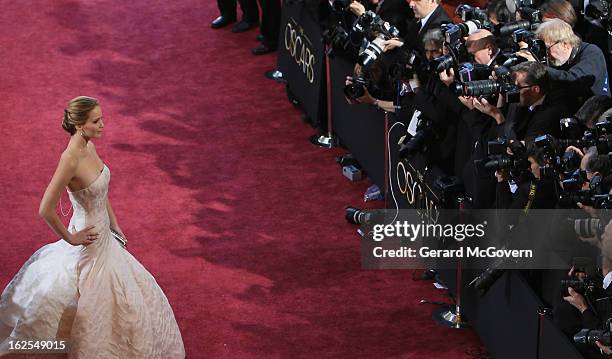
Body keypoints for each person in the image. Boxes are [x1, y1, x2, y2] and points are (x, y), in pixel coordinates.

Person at [0, 96, 185, 358]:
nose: (103, 126)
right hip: (88, 244)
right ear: (78, 125)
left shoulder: (88, 146)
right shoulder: (70, 158)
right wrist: (71, 239)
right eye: (96, 121)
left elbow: (99, 189)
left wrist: (115, 222)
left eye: (102, 119)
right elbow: (45, 208)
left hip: (105, 237)